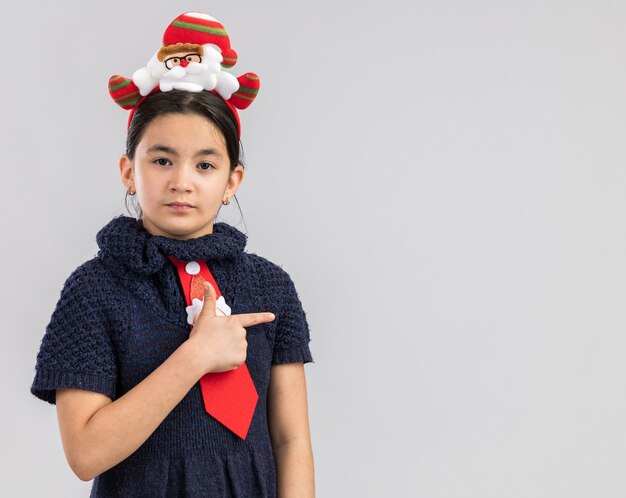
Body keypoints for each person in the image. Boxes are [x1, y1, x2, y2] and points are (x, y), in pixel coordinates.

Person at [29, 11, 315, 498]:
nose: (181, 180)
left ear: (231, 182)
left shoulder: (271, 287)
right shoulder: (94, 290)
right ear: (128, 171)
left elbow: (291, 441)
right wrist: (196, 357)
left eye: (205, 164)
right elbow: (84, 454)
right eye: (161, 160)